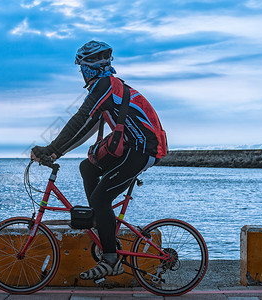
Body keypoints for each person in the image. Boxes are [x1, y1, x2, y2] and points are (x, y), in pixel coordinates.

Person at [31, 40, 167, 280]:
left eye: (82, 68)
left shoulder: (104, 86)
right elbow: (86, 128)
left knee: (100, 198)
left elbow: (80, 118)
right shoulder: (108, 88)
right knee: (87, 168)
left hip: (143, 150)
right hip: (133, 148)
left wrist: (50, 147)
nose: (81, 73)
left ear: (90, 68)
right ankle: (102, 225)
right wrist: (55, 153)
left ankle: (111, 259)